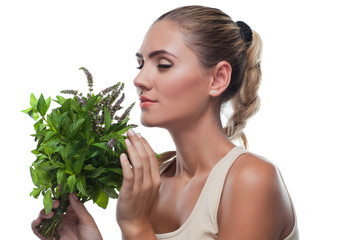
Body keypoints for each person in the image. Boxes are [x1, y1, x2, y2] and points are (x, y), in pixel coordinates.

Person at [32, 5, 299, 240]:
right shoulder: (152, 182)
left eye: (163, 64)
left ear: (218, 79)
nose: (140, 80)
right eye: (141, 64)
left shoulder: (251, 181)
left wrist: (135, 225)